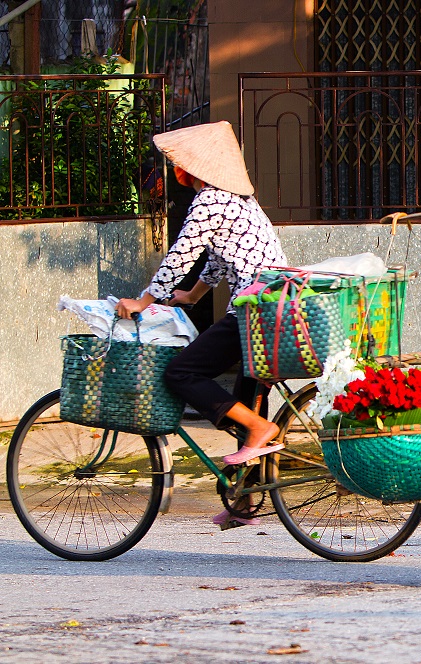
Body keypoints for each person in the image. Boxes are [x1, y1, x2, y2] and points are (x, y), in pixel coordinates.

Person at [115, 121, 288, 525]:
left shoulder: (210, 200)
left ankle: (262, 431)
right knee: (247, 404)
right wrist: (191, 296)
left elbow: (183, 252)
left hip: (254, 308)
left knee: (182, 372)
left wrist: (145, 300)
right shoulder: (238, 199)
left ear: (191, 168)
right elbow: (216, 255)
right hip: (273, 305)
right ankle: (244, 502)